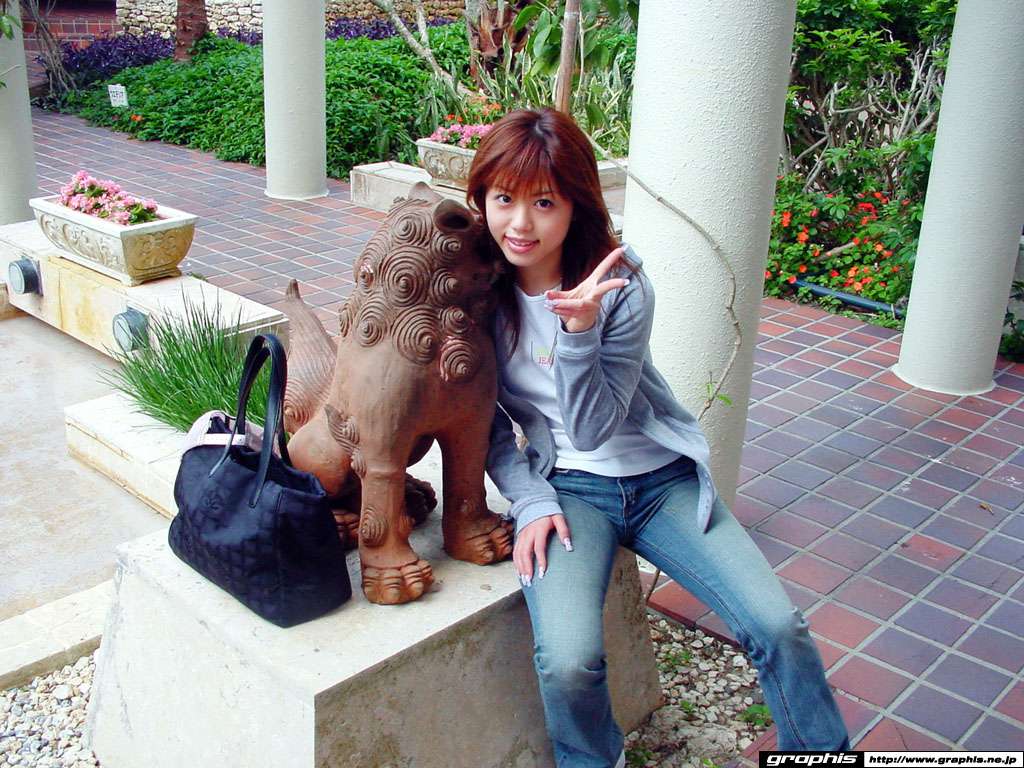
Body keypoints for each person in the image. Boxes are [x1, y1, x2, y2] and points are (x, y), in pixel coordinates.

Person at [466, 108, 850, 768]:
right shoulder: (478, 291)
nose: (520, 224)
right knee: (569, 661)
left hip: (659, 482)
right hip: (571, 490)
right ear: (482, 199)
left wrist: (579, 333)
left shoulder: (621, 287)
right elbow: (488, 422)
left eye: (544, 202)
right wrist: (529, 499)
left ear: (576, 205)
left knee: (777, 626)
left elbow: (593, 426)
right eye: (504, 199)